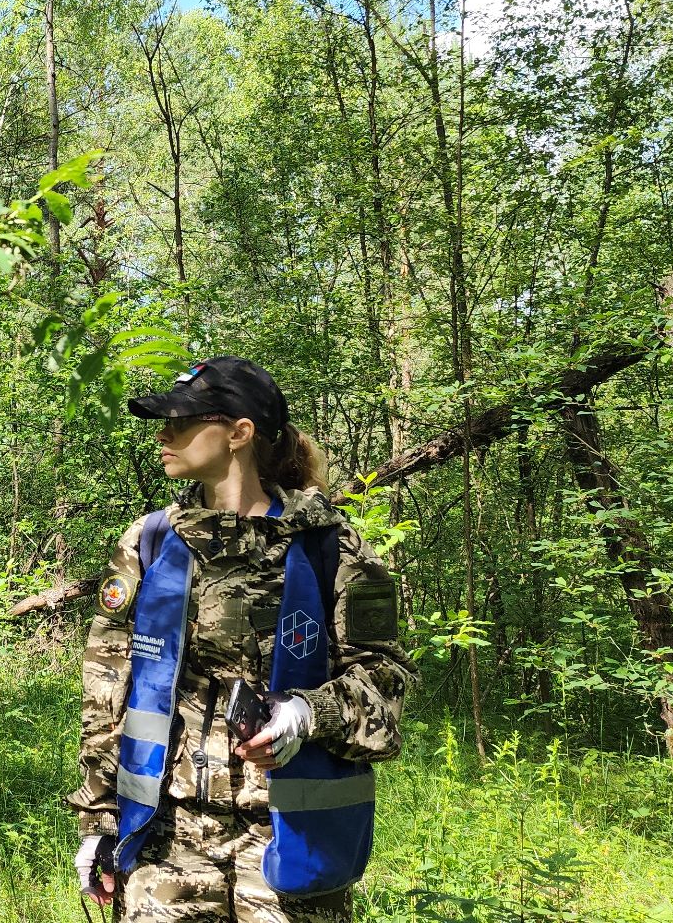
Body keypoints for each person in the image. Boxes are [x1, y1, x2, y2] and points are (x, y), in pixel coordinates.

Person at [67, 357, 415, 922]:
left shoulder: (329, 546)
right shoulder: (152, 544)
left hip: (291, 839)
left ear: (239, 432)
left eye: (180, 422)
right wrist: (100, 820)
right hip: (165, 838)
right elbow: (108, 692)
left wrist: (309, 714)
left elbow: (387, 682)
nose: (163, 436)